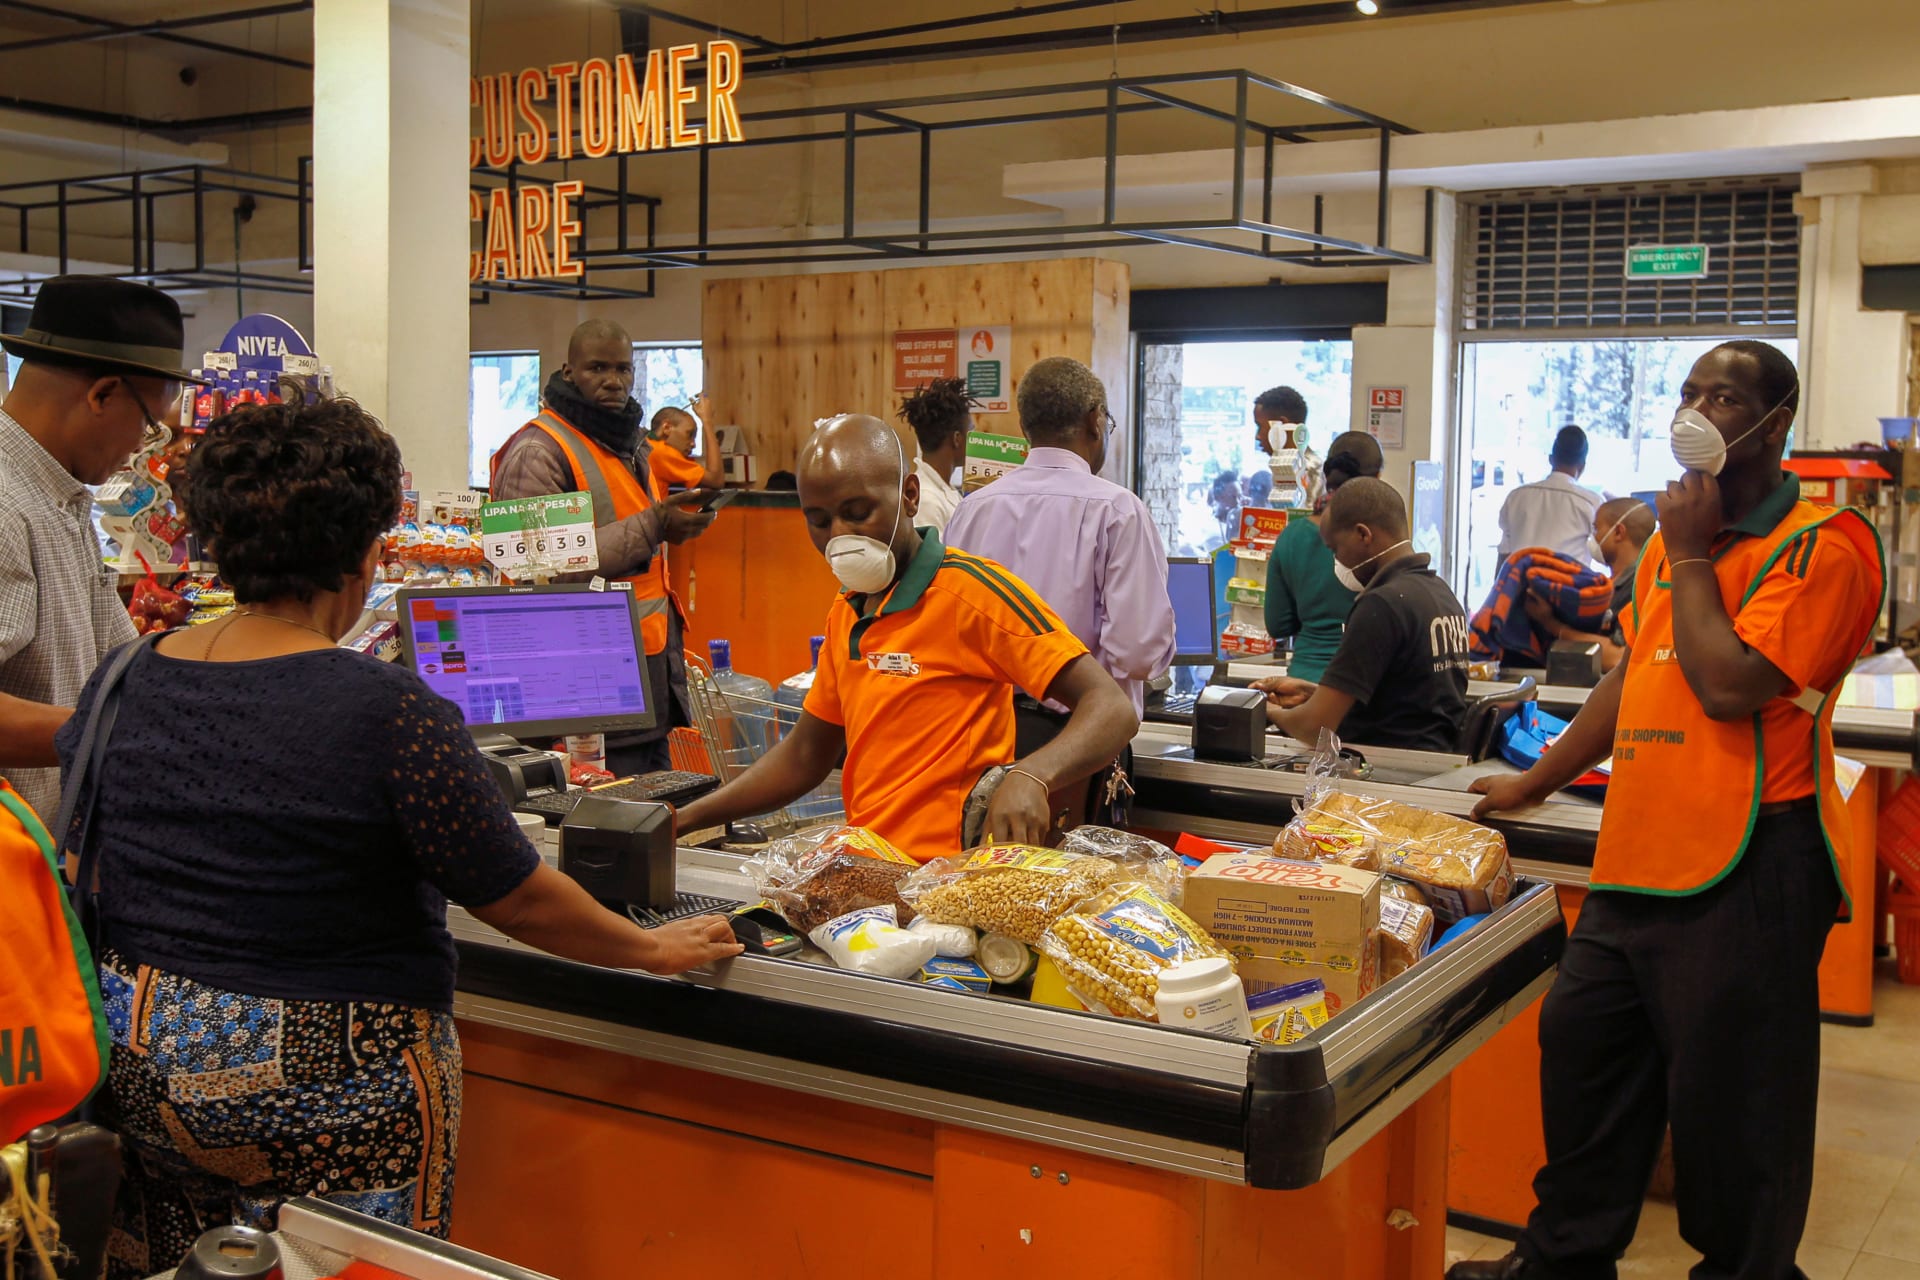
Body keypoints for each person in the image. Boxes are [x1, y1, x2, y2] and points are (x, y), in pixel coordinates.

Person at [64, 398, 741, 1278]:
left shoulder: (125, 676)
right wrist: (649, 950)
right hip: (329, 1083)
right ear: (364, 554)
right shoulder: (385, 708)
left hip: (145, 1069)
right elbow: (518, 896)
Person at [1456, 341, 1883, 1280]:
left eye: (1724, 396)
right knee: (1586, 1060)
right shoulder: (1661, 552)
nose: (1697, 410)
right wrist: (1536, 779)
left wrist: (1687, 551)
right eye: (1690, 391)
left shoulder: (1824, 547)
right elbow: (1635, 678)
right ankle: (1563, 1262)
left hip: (1751, 863)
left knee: (1736, 1115)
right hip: (1639, 856)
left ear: (1775, 425)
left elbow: (1728, 685)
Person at [674, 414, 1138, 860]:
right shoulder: (848, 609)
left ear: (909, 495)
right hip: (872, 873)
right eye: (819, 520)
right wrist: (688, 818)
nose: (840, 535)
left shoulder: (972, 593)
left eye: (858, 513)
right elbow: (805, 755)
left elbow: (1111, 708)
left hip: (952, 881)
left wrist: (1033, 774)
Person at [0, 275, 199, 820]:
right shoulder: (5, 506)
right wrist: (115, 732)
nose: (143, 444)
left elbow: (114, 659)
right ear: (102, 393)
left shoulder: (58, 497)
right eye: (148, 424)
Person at [491, 319, 716, 776]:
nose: (614, 381)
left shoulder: (627, 443)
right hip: (582, 689)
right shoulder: (538, 451)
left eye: (623, 369)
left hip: (646, 675)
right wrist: (655, 524)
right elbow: (538, 569)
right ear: (568, 371)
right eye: (597, 368)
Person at [945, 356, 1175, 716]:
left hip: (981, 731)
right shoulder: (1117, 510)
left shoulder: (971, 509)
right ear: (1095, 420)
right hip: (1080, 739)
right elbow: (1138, 654)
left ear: (1024, 427)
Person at [1252, 477, 1469, 753]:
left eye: (1335, 549)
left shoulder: (1382, 605)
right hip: (1432, 762)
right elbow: (1405, 704)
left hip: (1386, 774)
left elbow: (1312, 728)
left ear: (1363, 535)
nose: (1337, 562)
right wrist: (1314, 694)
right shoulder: (1440, 594)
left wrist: (1265, 709)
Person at [1264, 430, 1385, 684]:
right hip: (1362, 688)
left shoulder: (1292, 536)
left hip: (1301, 685)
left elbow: (1278, 625)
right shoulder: (1381, 539)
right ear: (1378, 479)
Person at [1522, 497, 1655, 672]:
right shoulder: (1605, 586)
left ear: (1619, 533)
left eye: (1596, 528)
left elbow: (1618, 657)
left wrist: (1552, 625)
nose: (1593, 537)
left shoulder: (1639, 586)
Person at [1497, 425, 1601, 563]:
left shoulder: (1516, 497)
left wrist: (1499, 584)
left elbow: (1504, 553)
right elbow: (1605, 554)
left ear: (1551, 459)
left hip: (1522, 583)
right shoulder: (1592, 503)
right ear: (1582, 466)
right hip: (1568, 583)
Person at [898, 377, 977, 532]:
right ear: (957, 439)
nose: (975, 440)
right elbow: (933, 556)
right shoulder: (927, 499)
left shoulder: (947, 491)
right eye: (971, 432)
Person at [647, 395, 724, 491]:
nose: (693, 444)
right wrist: (707, 421)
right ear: (667, 428)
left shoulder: (648, 445)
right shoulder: (661, 453)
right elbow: (716, 480)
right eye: (689, 434)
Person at [1253, 384, 1308, 459]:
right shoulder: (1294, 465)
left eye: (1260, 426)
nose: (1257, 437)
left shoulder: (1304, 469)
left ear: (1282, 425)